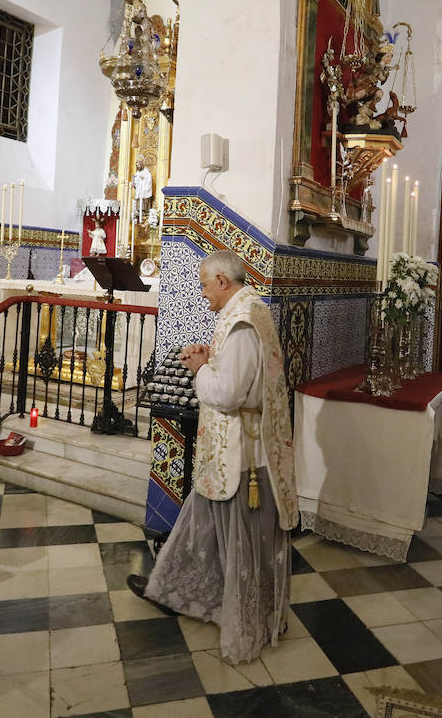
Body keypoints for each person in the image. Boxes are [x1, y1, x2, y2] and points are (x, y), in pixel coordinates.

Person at [127, 249, 299, 664]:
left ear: (222, 280)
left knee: (240, 540)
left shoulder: (241, 323)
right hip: (231, 452)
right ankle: (173, 591)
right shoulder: (251, 310)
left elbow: (227, 394)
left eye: (205, 286)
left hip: (239, 456)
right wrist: (210, 362)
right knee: (202, 525)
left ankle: (248, 619)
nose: (204, 295)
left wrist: (200, 370)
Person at [132, 155, 153, 223]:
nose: (137, 165)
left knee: (145, 200)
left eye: (138, 163)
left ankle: (145, 212)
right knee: (139, 202)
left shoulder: (146, 171)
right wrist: (134, 181)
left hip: (144, 190)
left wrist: (143, 178)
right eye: (136, 163)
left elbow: (149, 179)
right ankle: (139, 212)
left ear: (141, 163)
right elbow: (136, 180)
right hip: (139, 190)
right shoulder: (137, 172)